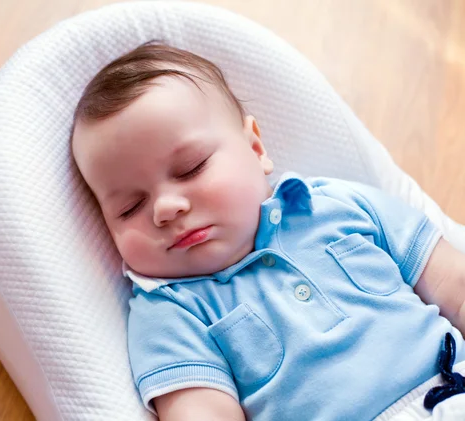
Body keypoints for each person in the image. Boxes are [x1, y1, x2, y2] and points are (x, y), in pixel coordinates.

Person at [70, 41, 465, 420]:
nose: (165, 209)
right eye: (130, 207)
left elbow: (454, 284)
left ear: (256, 149)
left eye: (190, 168)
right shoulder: (170, 309)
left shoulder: (339, 205)